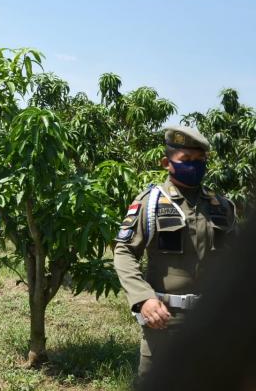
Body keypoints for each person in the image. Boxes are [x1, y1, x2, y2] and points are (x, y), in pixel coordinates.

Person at [113, 125, 237, 384]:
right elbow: (124, 251)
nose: (194, 166)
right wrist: (143, 299)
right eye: (186, 160)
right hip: (165, 319)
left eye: (199, 160)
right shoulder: (151, 202)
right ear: (166, 162)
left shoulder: (221, 206)